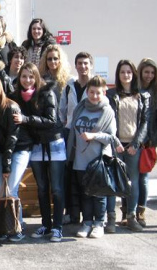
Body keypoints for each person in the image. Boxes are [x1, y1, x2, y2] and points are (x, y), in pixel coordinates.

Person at [11, 62, 66, 242]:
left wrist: (26, 119)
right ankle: (46, 224)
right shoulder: (17, 97)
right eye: (24, 76)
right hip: (36, 145)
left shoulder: (47, 92)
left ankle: (57, 227)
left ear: (36, 77)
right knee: (42, 188)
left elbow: (51, 120)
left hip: (53, 142)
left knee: (56, 188)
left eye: (31, 76)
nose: (27, 80)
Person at [67, 76, 124, 239]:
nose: (94, 96)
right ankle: (87, 223)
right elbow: (73, 130)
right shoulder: (80, 108)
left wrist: (94, 136)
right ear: (87, 92)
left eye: (98, 93)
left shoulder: (107, 111)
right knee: (85, 193)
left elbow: (112, 137)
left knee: (98, 194)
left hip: (99, 160)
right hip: (80, 159)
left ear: (104, 92)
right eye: (91, 92)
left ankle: (99, 223)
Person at [0, 77, 32, 241]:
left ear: (1, 89)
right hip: (3, 152)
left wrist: (6, 166)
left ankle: (17, 228)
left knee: (11, 189)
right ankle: (5, 225)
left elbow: (13, 138)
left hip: (18, 150)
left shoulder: (11, 106)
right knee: (0, 191)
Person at [106, 60, 150, 232]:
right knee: (113, 183)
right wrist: (115, 142)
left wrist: (136, 143)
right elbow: (108, 120)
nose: (126, 75)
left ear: (133, 74)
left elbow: (146, 122)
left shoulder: (143, 95)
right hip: (116, 145)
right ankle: (111, 218)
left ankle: (131, 216)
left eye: (129, 72)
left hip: (133, 146)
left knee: (133, 182)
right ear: (118, 75)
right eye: (123, 72)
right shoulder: (111, 94)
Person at [59, 51, 94, 225]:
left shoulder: (96, 85)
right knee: (70, 175)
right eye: (79, 63)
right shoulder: (69, 85)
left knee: (86, 175)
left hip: (88, 136)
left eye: (86, 63)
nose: (83, 66)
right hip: (70, 134)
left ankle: (89, 215)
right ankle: (72, 213)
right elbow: (62, 110)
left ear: (91, 65)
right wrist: (65, 125)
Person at [135, 58, 157, 226]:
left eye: (152, 73)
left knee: (143, 178)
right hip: (132, 139)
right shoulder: (134, 89)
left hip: (148, 141)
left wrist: (155, 138)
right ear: (140, 72)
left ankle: (141, 212)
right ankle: (127, 212)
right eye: (146, 72)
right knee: (129, 177)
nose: (149, 76)